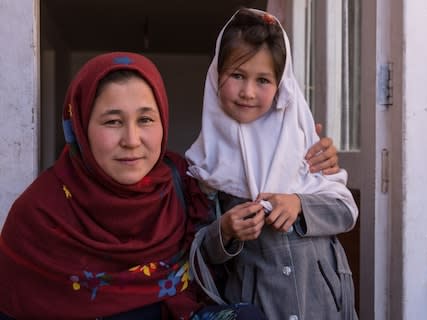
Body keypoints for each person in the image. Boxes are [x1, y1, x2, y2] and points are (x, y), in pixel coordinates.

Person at [0, 52, 338, 319]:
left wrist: (306, 153)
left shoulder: (189, 184)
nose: (131, 140)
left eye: (145, 119)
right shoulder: (39, 215)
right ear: (81, 128)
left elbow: (256, 172)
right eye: (112, 121)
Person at [187, 8, 359, 320]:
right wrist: (225, 231)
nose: (248, 92)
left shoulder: (306, 144)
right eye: (237, 75)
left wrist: (299, 204)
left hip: (323, 306)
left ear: (281, 85)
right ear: (216, 76)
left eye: (263, 80)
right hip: (259, 309)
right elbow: (197, 254)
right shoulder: (203, 166)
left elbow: (346, 212)